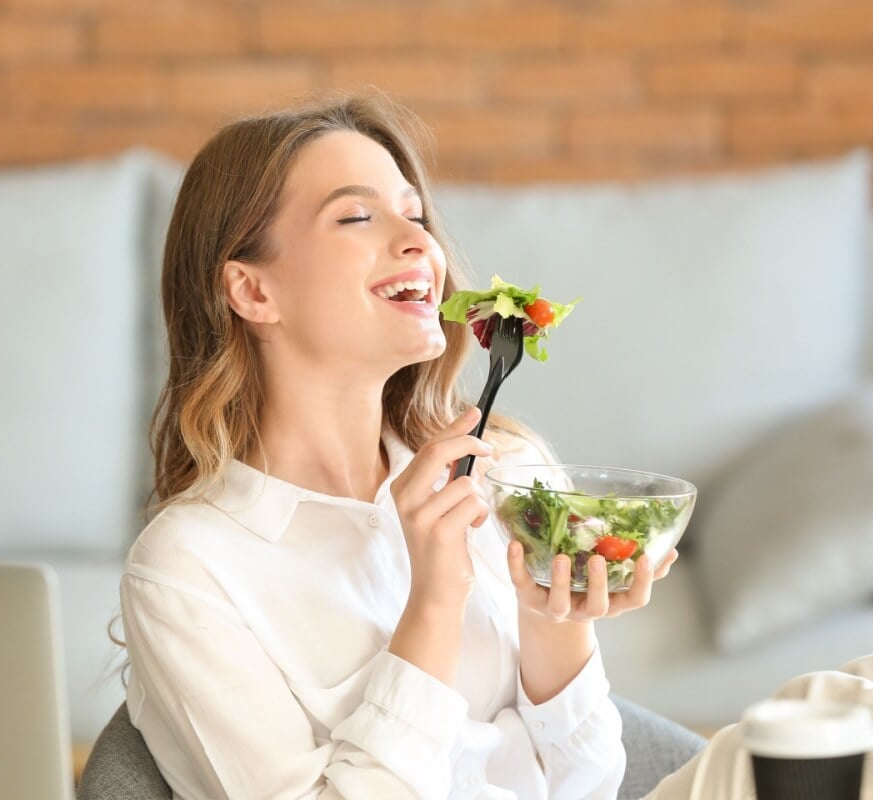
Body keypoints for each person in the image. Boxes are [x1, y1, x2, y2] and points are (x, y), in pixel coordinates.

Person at [118, 92, 678, 800]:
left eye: (415, 214)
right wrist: (434, 604)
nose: (420, 242)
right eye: (356, 216)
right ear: (252, 291)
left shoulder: (505, 471)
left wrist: (549, 618)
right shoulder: (190, 570)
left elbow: (591, 784)